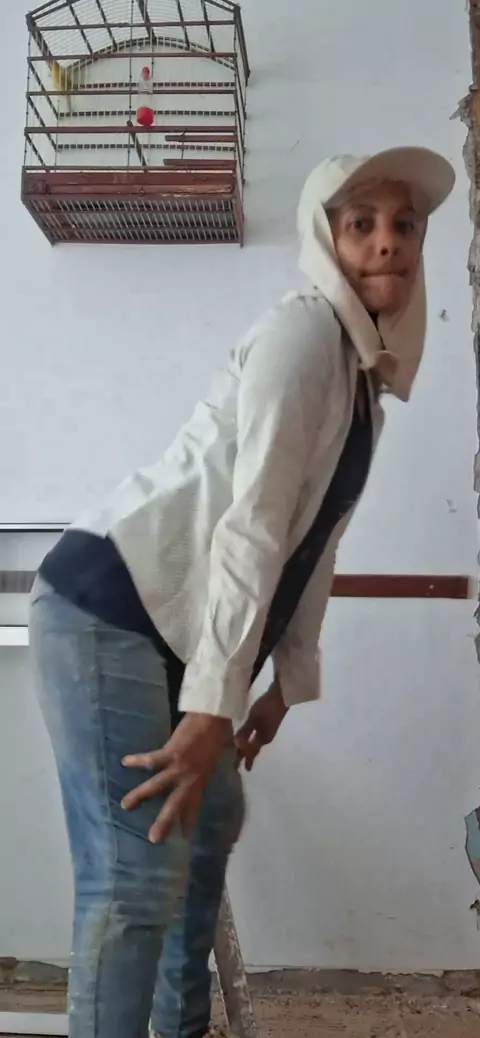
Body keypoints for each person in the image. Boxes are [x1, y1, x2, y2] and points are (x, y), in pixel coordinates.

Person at [29, 146, 455, 1038]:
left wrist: (282, 687)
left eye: (405, 225)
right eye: (361, 224)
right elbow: (251, 528)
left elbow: (313, 546)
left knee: (211, 816)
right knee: (134, 874)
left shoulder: (362, 388)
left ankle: (181, 1028)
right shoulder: (305, 337)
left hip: (171, 628)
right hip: (109, 606)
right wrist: (211, 706)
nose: (388, 243)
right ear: (325, 241)